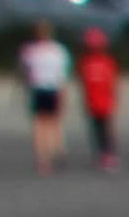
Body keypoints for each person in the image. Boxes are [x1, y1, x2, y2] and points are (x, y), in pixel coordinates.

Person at [17, 23, 69, 173]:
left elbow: (24, 72)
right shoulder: (58, 50)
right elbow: (62, 75)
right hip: (52, 88)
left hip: (39, 88)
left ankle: (43, 158)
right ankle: (56, 150)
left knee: (40, 124)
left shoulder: (30, 51)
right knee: (53, 122)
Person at [72, 25, 121, 169]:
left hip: (102, 101)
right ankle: (103, 153)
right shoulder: (86, 62)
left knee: (105, 128)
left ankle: (109, 153)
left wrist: (114, 98)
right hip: (94, 101)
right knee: (98, 129)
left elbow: (112, 83)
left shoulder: (106, 62)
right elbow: (83, 83)